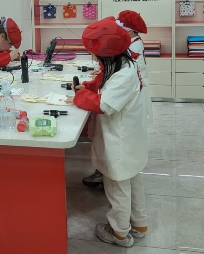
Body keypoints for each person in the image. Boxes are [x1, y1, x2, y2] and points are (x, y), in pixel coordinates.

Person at [66, 18, 148, 248]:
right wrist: (88, 87)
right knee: (132, 182)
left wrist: (80, 96)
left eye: (95, 54)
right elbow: (104, 83)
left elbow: (104, 104)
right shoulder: (124, 63)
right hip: (130, 139)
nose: (94, 58)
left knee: (117, 186)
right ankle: (139, 224)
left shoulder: (124, 75)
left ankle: (119, 233)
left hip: (120, 141)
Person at [117, 10, 153, 125]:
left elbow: (126, 64)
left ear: (130, 31)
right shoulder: (134, 41)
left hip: (136, 81)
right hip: (136, 79)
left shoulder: (134, 45)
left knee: (137, 106)